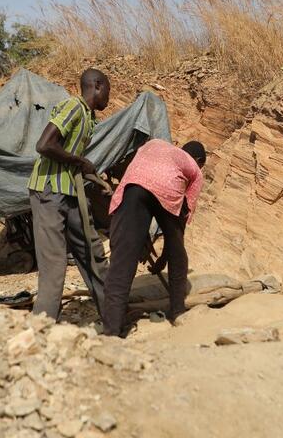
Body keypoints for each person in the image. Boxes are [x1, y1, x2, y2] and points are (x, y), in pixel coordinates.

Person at [28, 68, 110, 320]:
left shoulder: (89, 116)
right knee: (54, 263)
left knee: (91, 250)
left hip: (71, 192)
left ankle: (113, 313)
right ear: (96, 85)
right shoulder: (73, 107)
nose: (109, 95)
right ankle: (42, 327)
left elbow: (71, 159)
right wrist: (80, 161)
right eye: (107, 88)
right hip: (49, 191)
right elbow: (44, 145)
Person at [102, 139, 206, 337]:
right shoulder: (193, 167)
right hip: (168, 190)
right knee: (179, 257)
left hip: (134, 186)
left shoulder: (154, 144)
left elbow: (136, 177)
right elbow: (178, 227)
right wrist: (166, 257)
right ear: (198, 160)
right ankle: (177, 312)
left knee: (123, 262)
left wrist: (140, 239)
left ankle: (111, 330)